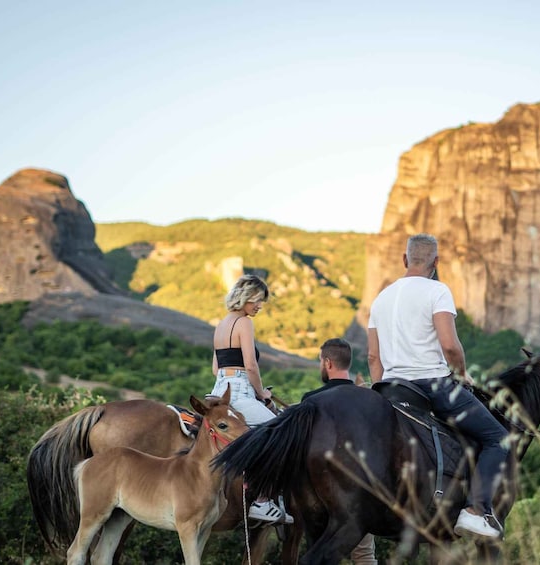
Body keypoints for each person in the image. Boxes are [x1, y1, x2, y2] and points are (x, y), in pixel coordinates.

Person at [367, 233, 509, 541]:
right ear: (436, 262)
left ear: (405, 260)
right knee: (499, 437)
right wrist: (462, 373)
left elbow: (373, 356)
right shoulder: (437, 290)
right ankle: (474, 511)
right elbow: (450, 345)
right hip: (432, 385)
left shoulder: (381, 298)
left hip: (391, 389)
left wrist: (381, 389)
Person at [208, 274, 291, 524]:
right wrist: (262, 392)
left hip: (220, 391)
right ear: (247, 297)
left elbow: (216, 368)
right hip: (241, 391)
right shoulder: (243, 323)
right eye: (258, 301)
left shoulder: (221, 324)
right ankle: (262, 501)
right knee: (280, 431)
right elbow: (251, 366)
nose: (259, 306)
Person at [302, 338, 377, 565]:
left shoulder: (311, 400)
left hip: (319, 494)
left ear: (327, 363)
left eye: (320, 362)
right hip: (360, 490)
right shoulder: (368, 400)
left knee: (319, 552)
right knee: (364, 554)